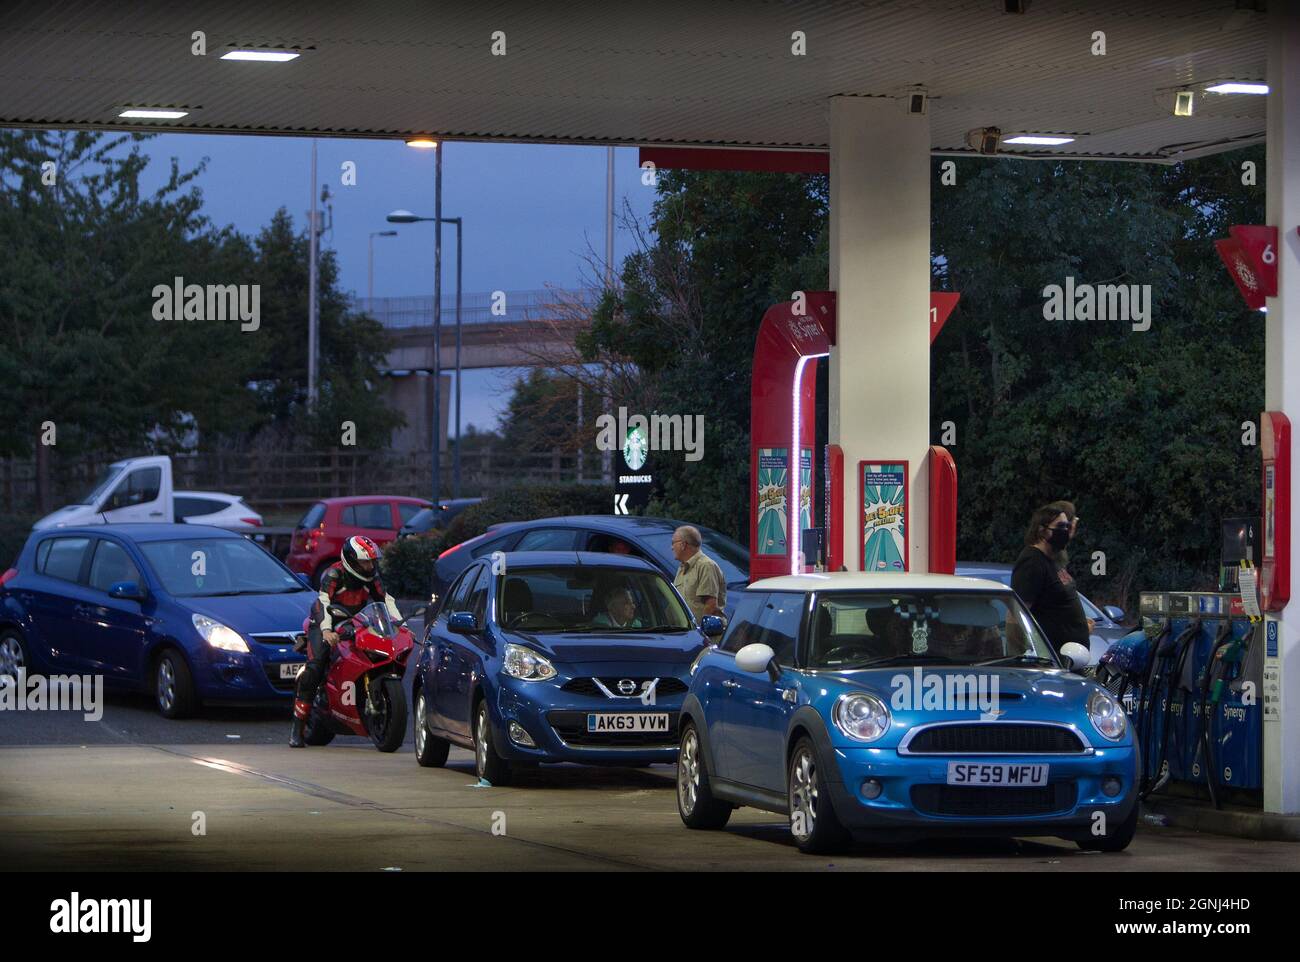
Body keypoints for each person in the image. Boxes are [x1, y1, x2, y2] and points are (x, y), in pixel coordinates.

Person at [290, 535, 402, 748]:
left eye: (372, 561)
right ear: (351, 560)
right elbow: (322, 602)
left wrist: (399, 624)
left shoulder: (372, 577)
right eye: (365, 561)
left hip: (355, 621)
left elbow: (386, 600)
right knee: (315, 667)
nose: (370, 566)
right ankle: (297, 729)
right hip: (325, 622)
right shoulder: (334, 574)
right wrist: (326, 631)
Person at [1011, 500, 1092, 656]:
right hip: (1051, 661)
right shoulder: (1032, 562)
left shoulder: (1052, 559)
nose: (1066, 531)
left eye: (1067, 526)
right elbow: (1016, 616)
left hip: (1069, 658)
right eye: (1061, 527)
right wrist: (1019, 658)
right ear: (1042, 530)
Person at [670, 525, 726, 621]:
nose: (671, 548)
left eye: (673, 543)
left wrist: (699, 633)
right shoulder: (682, 568)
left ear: (683, 545)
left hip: (702, 634)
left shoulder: (706, 566)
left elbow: (711, 606)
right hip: (685, 633)